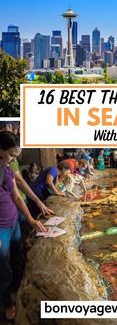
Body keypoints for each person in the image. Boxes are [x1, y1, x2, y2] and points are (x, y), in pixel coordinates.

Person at [0, 131, 46, 320]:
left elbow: (18, 197)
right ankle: (7, 304)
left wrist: (30, 219)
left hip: (14, 225)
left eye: (15, 156)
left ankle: (15, 292)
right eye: (11, 155)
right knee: (3, 271)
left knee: (18, 261)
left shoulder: (8, 169)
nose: (13, 160)